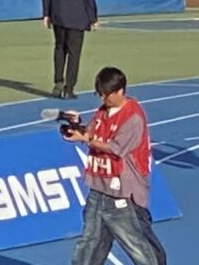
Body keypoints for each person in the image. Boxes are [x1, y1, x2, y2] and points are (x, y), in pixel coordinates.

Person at [63, 67, 166, 265]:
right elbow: (91, 133)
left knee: (140, 247)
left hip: (123, 194)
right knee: (89, 244)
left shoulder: (133, 118)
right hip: (99, 189)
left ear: (120, 91)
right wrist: (76, 126)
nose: (103, 99)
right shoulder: (103, 112)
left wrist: (85, 140)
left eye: (106, 95)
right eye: (100, 94)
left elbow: (114, 148)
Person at [42, 0, 98, 99]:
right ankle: (69, 88)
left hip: (58, 16)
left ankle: (58, 82)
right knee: (74, 53)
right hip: (77, 18)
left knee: (59, 48)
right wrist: (93, 18)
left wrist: (46, 13)